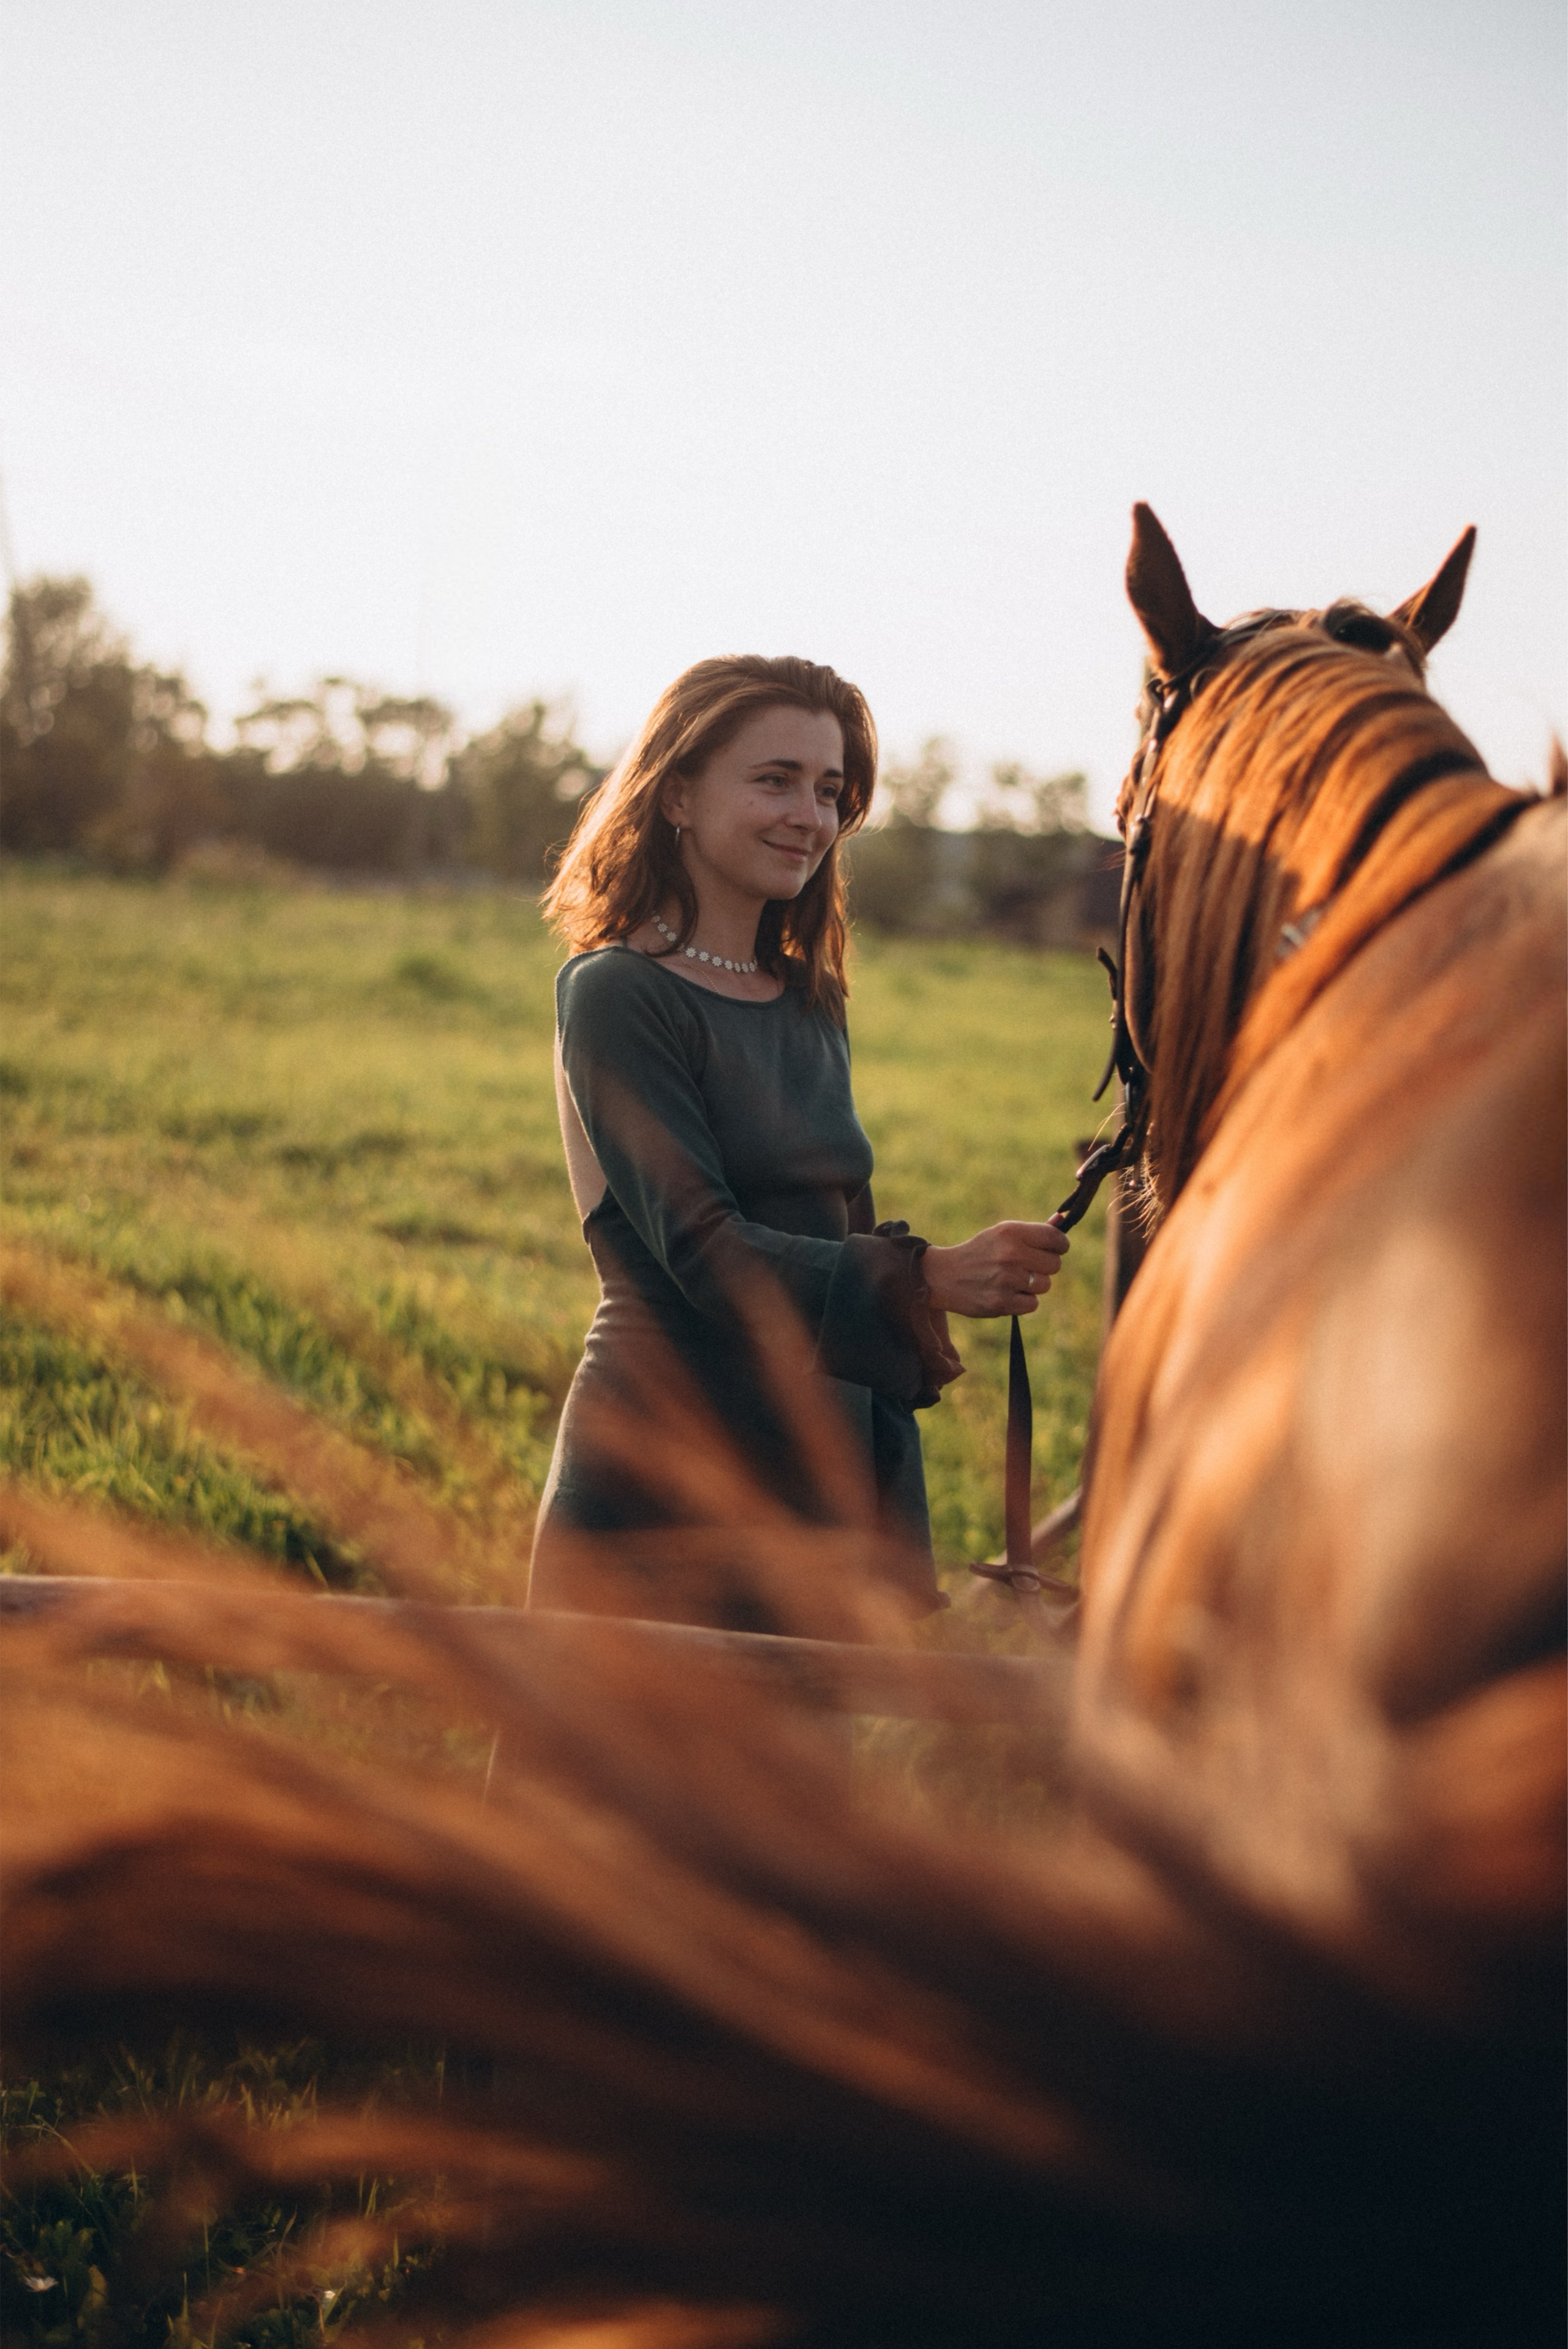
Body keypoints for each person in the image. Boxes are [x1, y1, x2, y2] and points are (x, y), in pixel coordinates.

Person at [529, 654, 1069, 1632]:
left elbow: (837, 1235)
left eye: (829, 791)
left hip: (807, 1477)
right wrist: (930, 1276)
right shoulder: (615, 991)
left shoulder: (811, 1001)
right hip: (660, 1471)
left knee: (799, 1782)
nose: (809, 816)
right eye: (774, 779)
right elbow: (704, 1249)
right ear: (679, 794)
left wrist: (874, 1502)